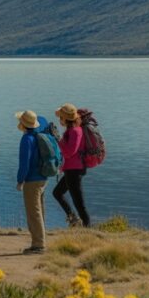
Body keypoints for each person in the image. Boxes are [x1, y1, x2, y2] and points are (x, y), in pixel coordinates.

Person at [15, 110, 50, 254]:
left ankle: (38, 245)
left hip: (32, 181)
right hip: (43, 178)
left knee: (33, 213)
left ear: (23, 124)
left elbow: (24, 163)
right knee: (39, 211)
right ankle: (41, 240)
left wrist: (20, 180)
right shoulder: (39, 135)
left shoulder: (26, 139)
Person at [53, 103, 90, 227]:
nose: (60, 120)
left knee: (79, 203)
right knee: (57, 193)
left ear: (65, 118)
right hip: (72, 169)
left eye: (61, 117)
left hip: (74, 170)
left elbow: (69, 152)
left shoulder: (75, 131)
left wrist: (58, 139)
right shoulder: (72, 130)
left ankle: (87, 229)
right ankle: (74, 219)